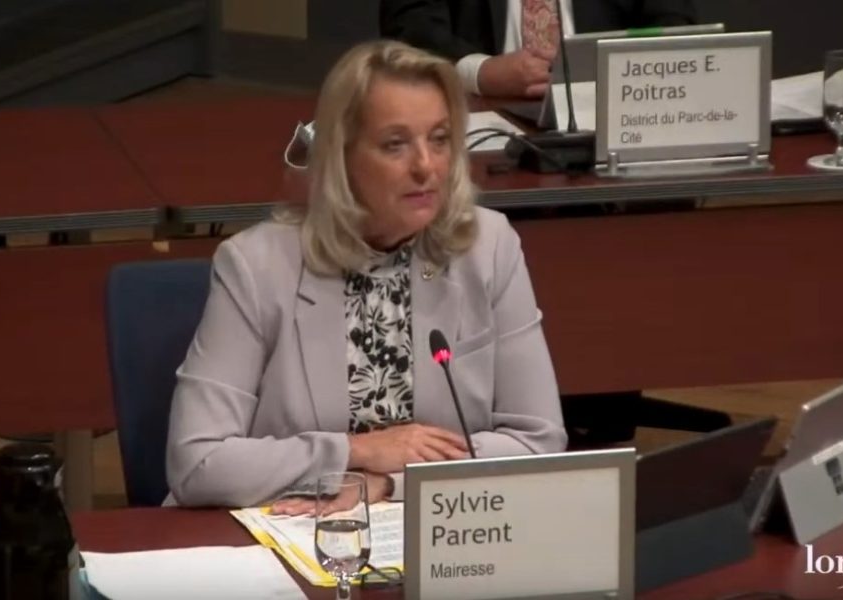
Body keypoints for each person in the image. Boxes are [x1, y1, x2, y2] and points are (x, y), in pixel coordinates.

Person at [165, 40, 568, 513]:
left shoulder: (489, 246)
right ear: (342, 155)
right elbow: (197, 463)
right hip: (285, 526)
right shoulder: (256, 265)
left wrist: (389, 482)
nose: (426, 166)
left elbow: (538, 441)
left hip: (435, 523)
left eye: (439, 139)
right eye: (395, 144)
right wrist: (354, 452)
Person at [380, 0, 697, 98]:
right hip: (482, 111)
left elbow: (673, 19)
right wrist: (480, 72)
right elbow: (410, 24)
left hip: (612, 104)